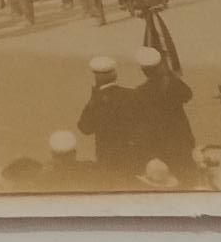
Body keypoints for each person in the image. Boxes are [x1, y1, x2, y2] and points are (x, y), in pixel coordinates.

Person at [131, 46, 196, 182]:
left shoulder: (140, 92)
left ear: (143, 70)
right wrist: (170, 74)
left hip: (157, 142)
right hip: (180, 138)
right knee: (187, 178)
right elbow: (188, 94)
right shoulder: (172, 84)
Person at [76, 55, 142, 184]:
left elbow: (84, 128)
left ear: (96, 77)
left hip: (106, 160)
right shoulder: (133, 94)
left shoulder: (97, 101)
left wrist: (92, 100)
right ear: (115, 74)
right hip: (133, 157)